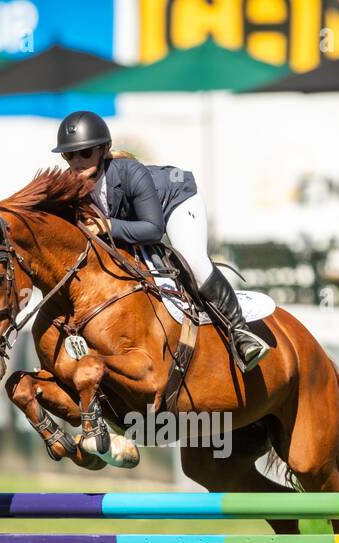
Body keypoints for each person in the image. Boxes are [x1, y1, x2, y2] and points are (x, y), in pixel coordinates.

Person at [51, 109, 270, 373]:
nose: (77, 161)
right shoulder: (69, 188)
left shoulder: (131, 172)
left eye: (85, 153)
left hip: (174, 203)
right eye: (69, 155)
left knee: (192, 260)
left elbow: (153, 230)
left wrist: (108, 226)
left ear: (103, 149)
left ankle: (240, 333)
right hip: (136, 222)